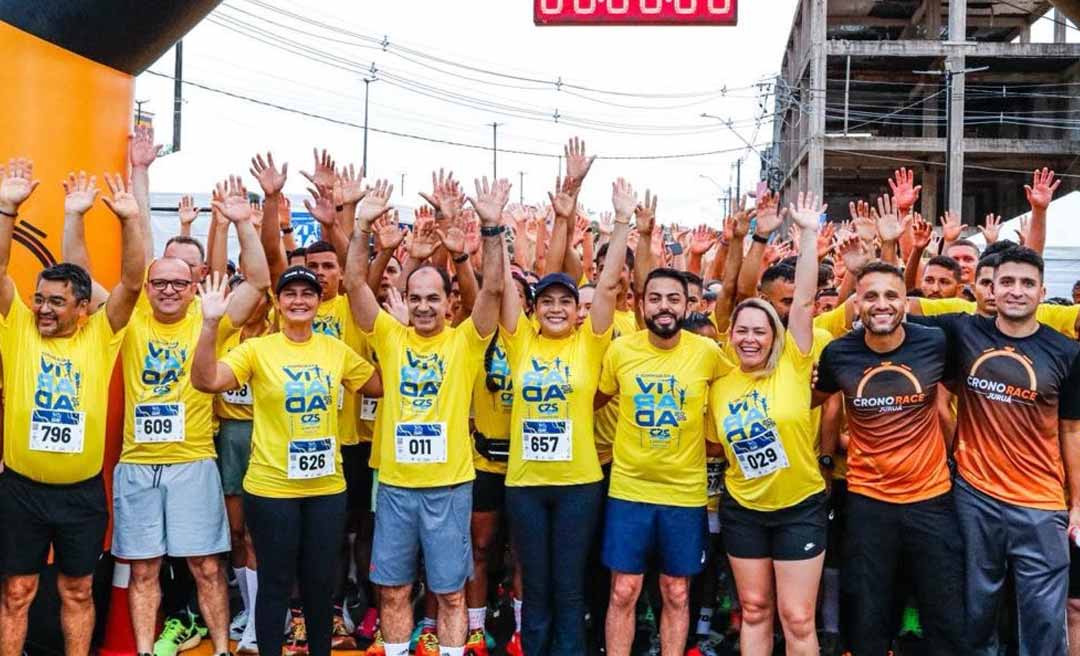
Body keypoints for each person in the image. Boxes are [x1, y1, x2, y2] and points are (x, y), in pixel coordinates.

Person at [344, 175, 508, 656]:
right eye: (414, 298)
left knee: (452, 593)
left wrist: (491, 228)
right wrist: (361, 226)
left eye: (433, 298)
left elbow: (495, 290)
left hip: (450, 488)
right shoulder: (390, 338)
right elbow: (354, 283)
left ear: (448, 302)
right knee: (393, 591)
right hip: (395, 487)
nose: (422, 306)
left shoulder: (465, 341)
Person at [109, 175, 270, 656]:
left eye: (179, 283)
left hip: (193, 461)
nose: (167, 291)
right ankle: (143, 650)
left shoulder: (211, 320)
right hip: (137, 465)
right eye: (159, 283)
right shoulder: (131, 320)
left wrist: (243, 225)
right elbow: (131, 270)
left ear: (194, 285)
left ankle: (221, 649)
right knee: (143, 570)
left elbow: (260, 282)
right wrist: (136, 188)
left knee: (206, 566)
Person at [191, 265, 380, 656]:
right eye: (290, 294)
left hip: (326, 488)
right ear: (277, 302)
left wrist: (399, 333)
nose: (299, 301)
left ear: (318, 301)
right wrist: (210, 325)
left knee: (319, 582)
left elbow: (379, 385)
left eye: (307, 294)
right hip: (271, 488)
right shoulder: (258, 349)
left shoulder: (335, 350)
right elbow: (206, 380)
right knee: (276, 583)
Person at [0, 162, 144, 655]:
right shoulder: (17, 327)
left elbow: (132, 281)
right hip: (20, 491)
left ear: (82, 307)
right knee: (17, 592)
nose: (43, 308)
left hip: (81, 494)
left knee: (77, 590)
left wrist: (130, 220)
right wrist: (8, 208)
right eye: (39, 299)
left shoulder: (101, 335)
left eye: (56, 302)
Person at [911, 247, 1080, 656]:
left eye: (1026, 284)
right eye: (1006, 282)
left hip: (1040, 504)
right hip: (974, 497)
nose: (1016, 291)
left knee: (1043, 618)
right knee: (977, 613)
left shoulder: (1067, 353)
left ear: (1042, 291)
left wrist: (1077, 502)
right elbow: (895, 312)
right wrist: (898, 246)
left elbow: (1072, 430)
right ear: (988, 288)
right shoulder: (963, 332)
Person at [499, 173, 632, 656]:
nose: (556, 308)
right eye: (547, 301)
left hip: (579, 483)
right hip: (526, 484)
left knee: (570, 588)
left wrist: (620, 222)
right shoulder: (520, 341)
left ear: (579, 310)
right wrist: (497, 231)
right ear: (535, 310)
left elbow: (612, 281)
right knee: (536, 587)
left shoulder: (591, 342)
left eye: (565, 301)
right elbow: (502, 289)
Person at [813, 261, 966, 655]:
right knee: (868, 616)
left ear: (905, 301)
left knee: (945, 616)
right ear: (856, 303)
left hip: (932, 499)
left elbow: (950, 401)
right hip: (868, 501)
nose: (881, 304)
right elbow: (818, 403)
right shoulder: (837, 353)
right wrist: (827, 461)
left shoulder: (935, 342)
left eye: (891, 295)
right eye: (871, 296)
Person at [708, 192, 827, 656]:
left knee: (797, 617)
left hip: (799, 506)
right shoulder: (721, 382)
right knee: (754, 609)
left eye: (760, 330)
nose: (750, 338)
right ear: (731, 336)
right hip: (744, 510)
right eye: (742, 330)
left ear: (775, 335)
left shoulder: (795, 364)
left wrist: (810, 234)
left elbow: (804, 302)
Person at [596, 266, 728, 656]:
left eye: (673, 298)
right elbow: (592, 400)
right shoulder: (621, 351)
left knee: (676, 590)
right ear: (640, 304)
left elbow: (742, 388)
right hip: (628, 489)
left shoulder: (708, 353)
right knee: (623, 590)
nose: (664, 306)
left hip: (685, 494)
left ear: (689, 304)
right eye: (654, 298)